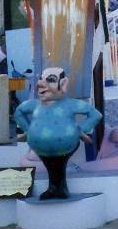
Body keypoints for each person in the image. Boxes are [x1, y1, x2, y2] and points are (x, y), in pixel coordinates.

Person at [15, 66, 102, 199]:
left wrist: (81, 130)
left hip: (65, 147)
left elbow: (95, 114)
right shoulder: (35, 105)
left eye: (50, 80)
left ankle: (58, 189)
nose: (41, 83)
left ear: (63, 84)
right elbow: (19, 112)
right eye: (41, 79)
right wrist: (28, 130)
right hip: (41, 149)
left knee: (58, 167)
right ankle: (55, 189)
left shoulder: (70, 104)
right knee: (52, 168)